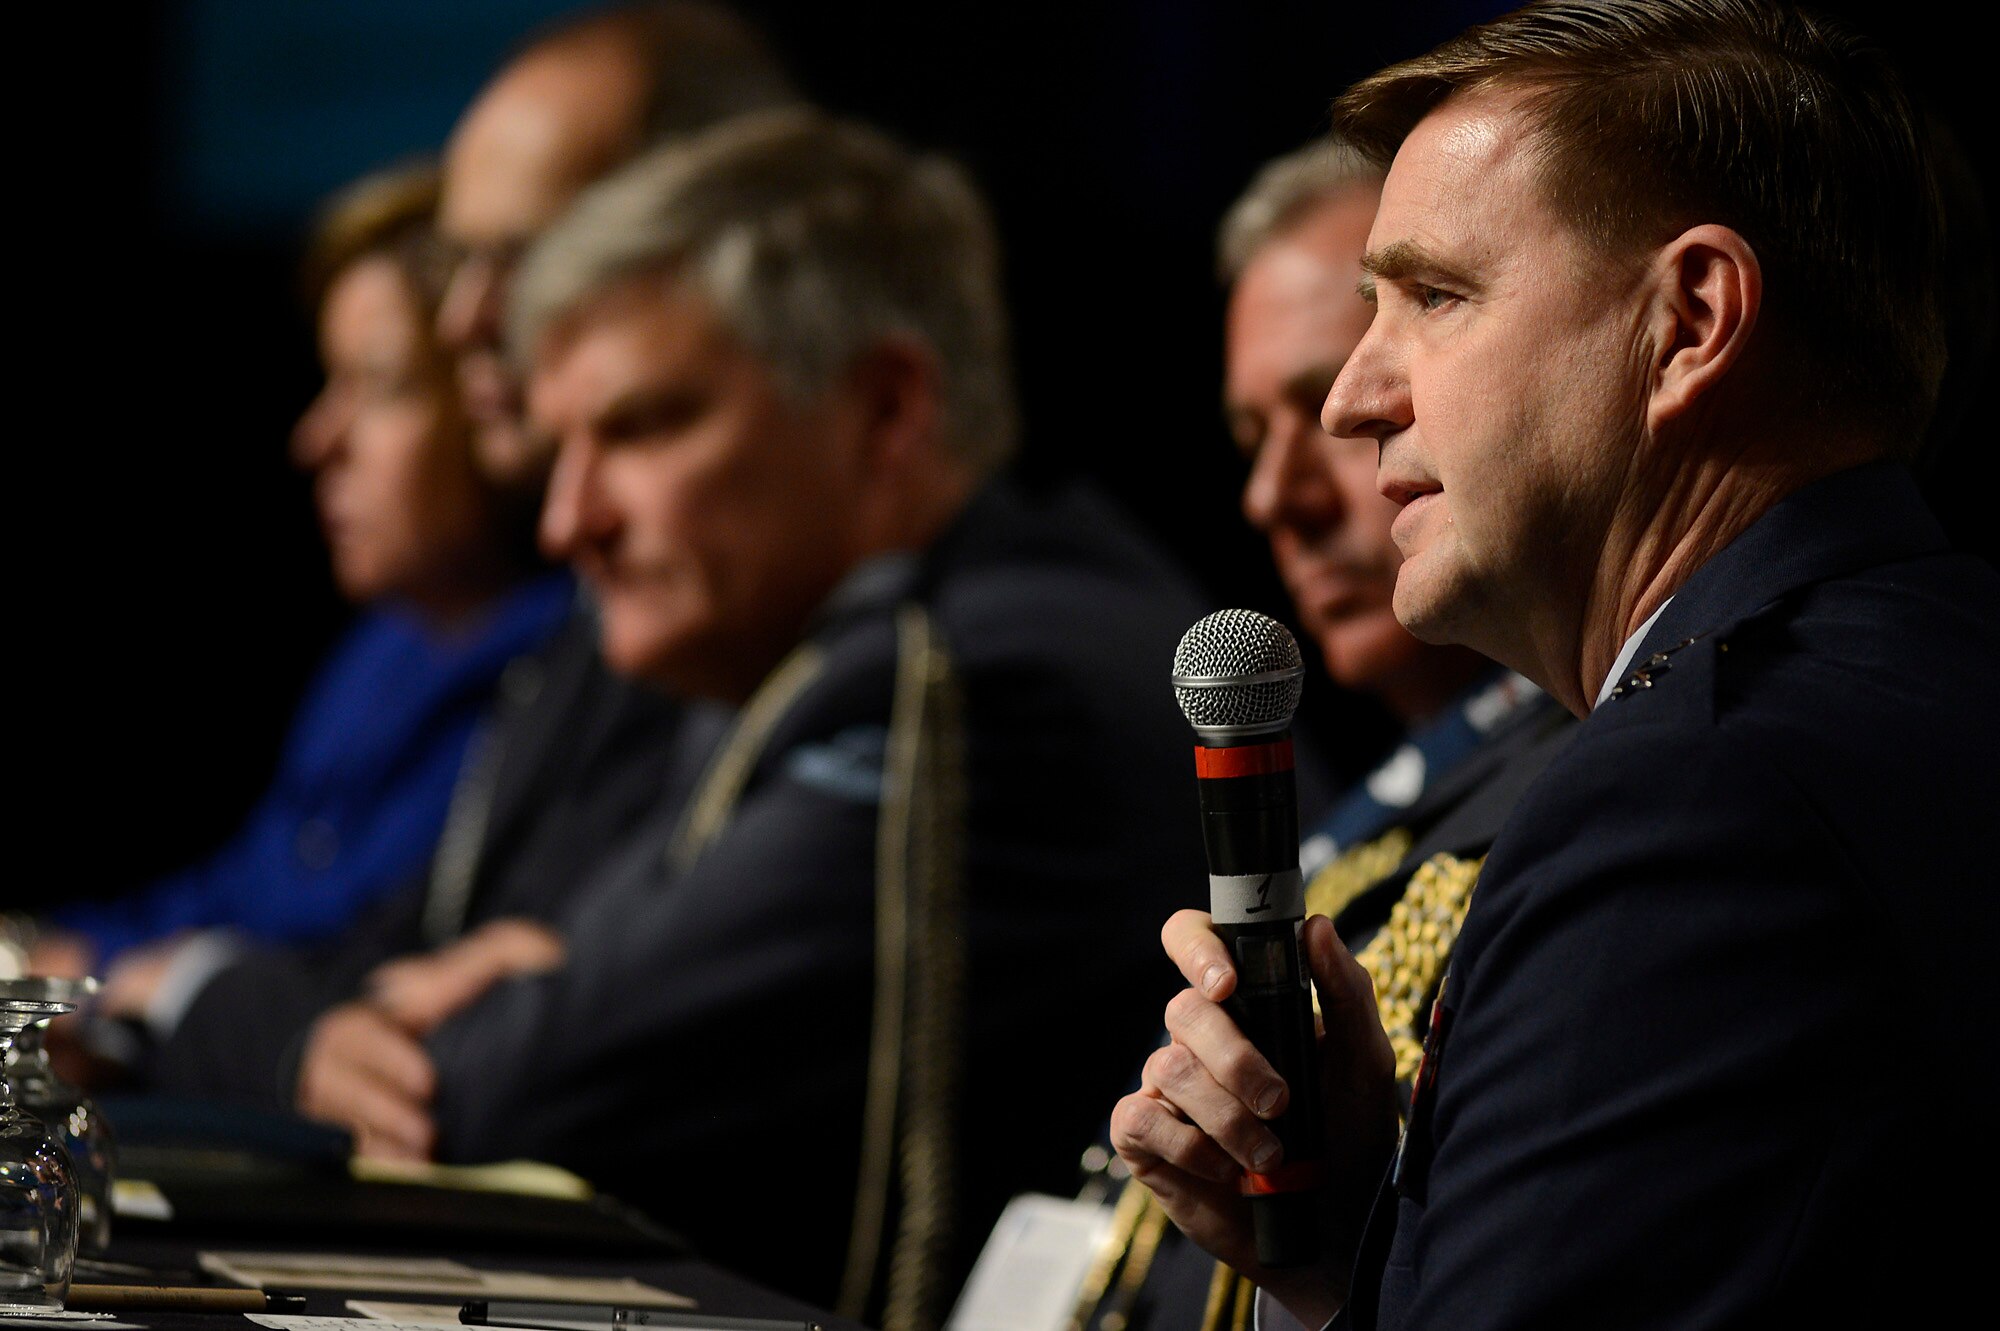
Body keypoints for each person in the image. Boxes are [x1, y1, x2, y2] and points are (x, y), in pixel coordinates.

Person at [170, 107, 1212, 1328]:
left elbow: (490, 1095)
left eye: (639, 427)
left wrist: (224, 1010)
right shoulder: (804, 656)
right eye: (559, 448)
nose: (566, 524)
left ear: (883, 409)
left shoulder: (975, 680)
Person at [1109, 2, 1999, 1327]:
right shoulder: (1923, 662)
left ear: (1690, 320)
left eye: (1435, 295)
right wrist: (1355, 1232)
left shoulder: (1693, 802)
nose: (1356, 398)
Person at [141, 0, 799, 1104]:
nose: (464, 321)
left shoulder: (713, 633)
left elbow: (483, 1059)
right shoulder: (559, 639)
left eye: (515, 258)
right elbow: (401, 963)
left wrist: (186, 996)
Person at [971, 139, 1573, 1331]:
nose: (1273, 495)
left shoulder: (1603, 774)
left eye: (1320, 403)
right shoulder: (1391, 784)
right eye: (1252, 436)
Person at [26, 161, 572, 1039]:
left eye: (382, 387)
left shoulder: (567, 674)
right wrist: (52, 953)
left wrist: (101, 986)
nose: (317, 438)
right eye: (331, 383)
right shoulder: (384, 648)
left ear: (493, 393)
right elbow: (248, 889)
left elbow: (339, 952)